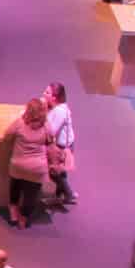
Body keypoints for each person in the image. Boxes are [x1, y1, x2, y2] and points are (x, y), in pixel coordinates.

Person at [4, 97, 55, 227]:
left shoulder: (20, 123)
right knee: (31, 195)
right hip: (38, 169)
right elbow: (52, 138)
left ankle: (13, 212)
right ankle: (24, 217)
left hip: (18, 166)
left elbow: (7, 134)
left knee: (15, 186)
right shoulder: (46, 126)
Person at [43, 81, 78, 209]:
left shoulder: (59, 112)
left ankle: (68, 195)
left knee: (54, 172)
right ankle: (60, 196)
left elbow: (51, 131)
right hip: (64, 144)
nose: (44, 93)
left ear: (54, 97)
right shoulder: (57, 107)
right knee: (60, 173)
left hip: (60, 147)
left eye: (47, 92)